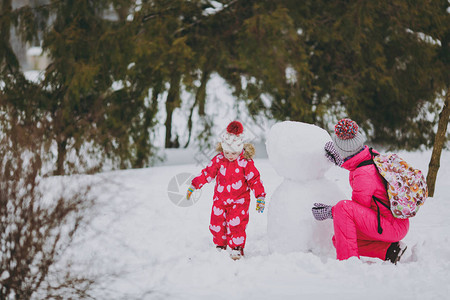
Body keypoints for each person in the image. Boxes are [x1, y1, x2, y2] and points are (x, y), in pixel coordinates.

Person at [312, 118, 408, 264]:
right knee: (338, 239)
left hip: (390, 225)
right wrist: (342, 162)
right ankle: (390, 251)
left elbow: (357, 211)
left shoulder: (363, 174)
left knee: (343, 208)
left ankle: (349, 263)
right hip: (395, 221)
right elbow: (357, 162)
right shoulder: (370, 155)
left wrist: (331, 212)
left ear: (343, 150)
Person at [186, 121, 266, 260]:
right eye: (227, 152)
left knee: (236, 224)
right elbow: (208, 173)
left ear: (240, 149)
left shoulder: (245, 163)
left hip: (239, 200)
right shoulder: (219, 160)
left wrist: (260, 197)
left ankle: (236, 248)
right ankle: (220, 246)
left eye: (234, 152)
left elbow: (255, 180)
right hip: (220, 199)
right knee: (216, 223)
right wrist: (195, 185)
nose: (230, 155)